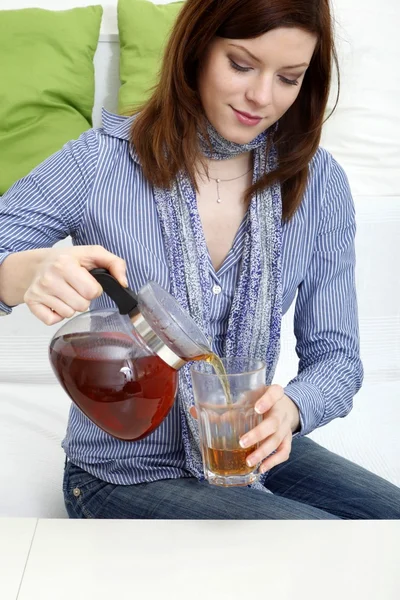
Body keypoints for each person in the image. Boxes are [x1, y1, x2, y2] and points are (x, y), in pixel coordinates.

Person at [1, 0, 399, 520]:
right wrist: (25, 273)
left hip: (249, 453)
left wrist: (294, 408)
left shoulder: (319, 184)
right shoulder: (100, 162)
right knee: (316, 542)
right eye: (241, 64)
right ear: (196, 49)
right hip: (122, 475)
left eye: (289, 77)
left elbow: (338, 359)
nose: (261, 97)